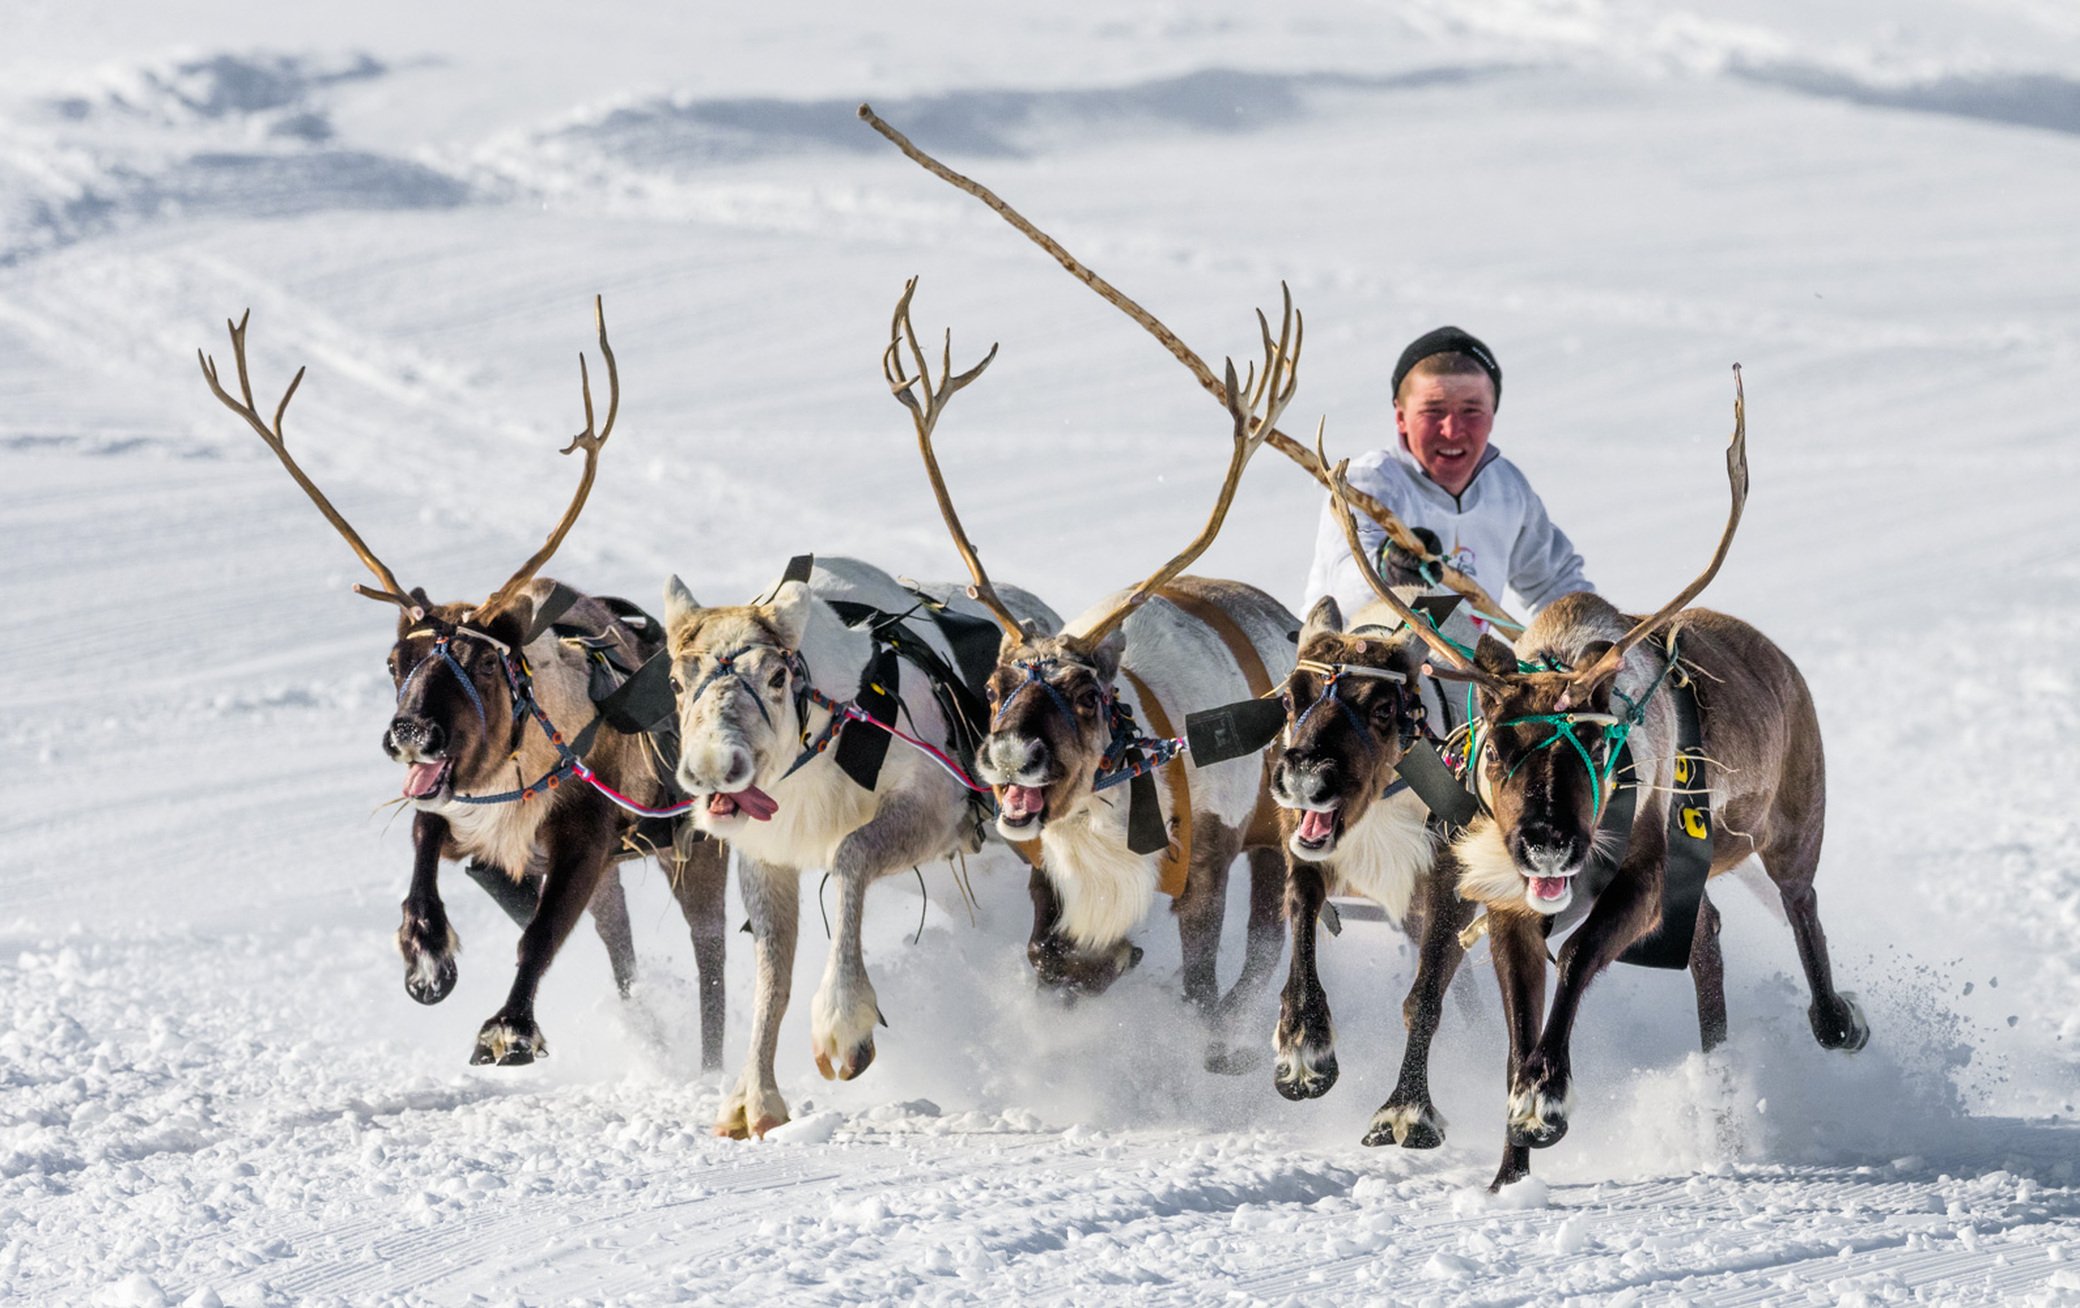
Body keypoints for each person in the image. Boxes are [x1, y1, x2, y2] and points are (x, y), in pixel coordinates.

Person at [1301, 326, 1592, 626]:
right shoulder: (1366, 486)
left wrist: (1590, 635)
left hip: (1462, 669)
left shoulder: (1506, 490)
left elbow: (1556, 584)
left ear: (1493, 413)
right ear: (1400, 416)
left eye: (1471, 410)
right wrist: (1388, 571)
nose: (1452, 430)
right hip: (1353, 665)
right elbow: (1345, 590)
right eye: (1434, 411)